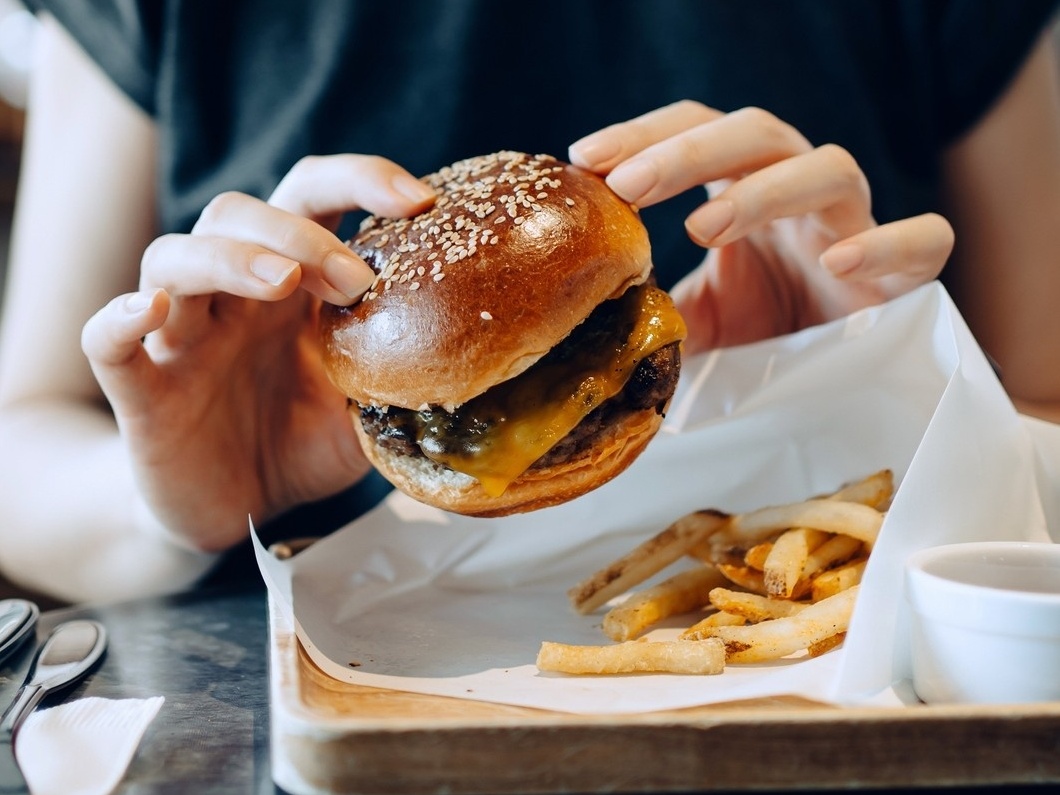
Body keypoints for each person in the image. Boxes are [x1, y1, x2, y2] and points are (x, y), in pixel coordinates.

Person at [0, 1, 1057, 604]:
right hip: (304, 698)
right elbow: (19, 439)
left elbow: (1045, 402)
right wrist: (156, 510)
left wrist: (893, 384)